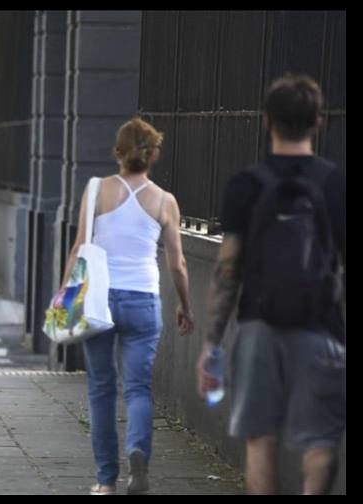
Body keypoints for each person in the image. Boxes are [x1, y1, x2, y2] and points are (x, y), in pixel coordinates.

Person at [196, 74, 345, 495]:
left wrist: (211, 343)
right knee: (320, 441)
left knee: (260, 440)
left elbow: (227, 267)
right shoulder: (335, 184)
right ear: (318, 122)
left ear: (266, 122)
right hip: (322, 328)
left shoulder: (246, 185)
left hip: (259, 326)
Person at [59, 117, 194, 495]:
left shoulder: (96, 190)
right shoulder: (165, 201)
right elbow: (177, 264)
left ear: (118, 153)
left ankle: (106, 481)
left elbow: (79, 248)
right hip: (143, 300)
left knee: (101, 389)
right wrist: (186, 305)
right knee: (137, 389)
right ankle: (138, 451)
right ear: (153, 155)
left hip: (100, 299)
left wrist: (65, 297)